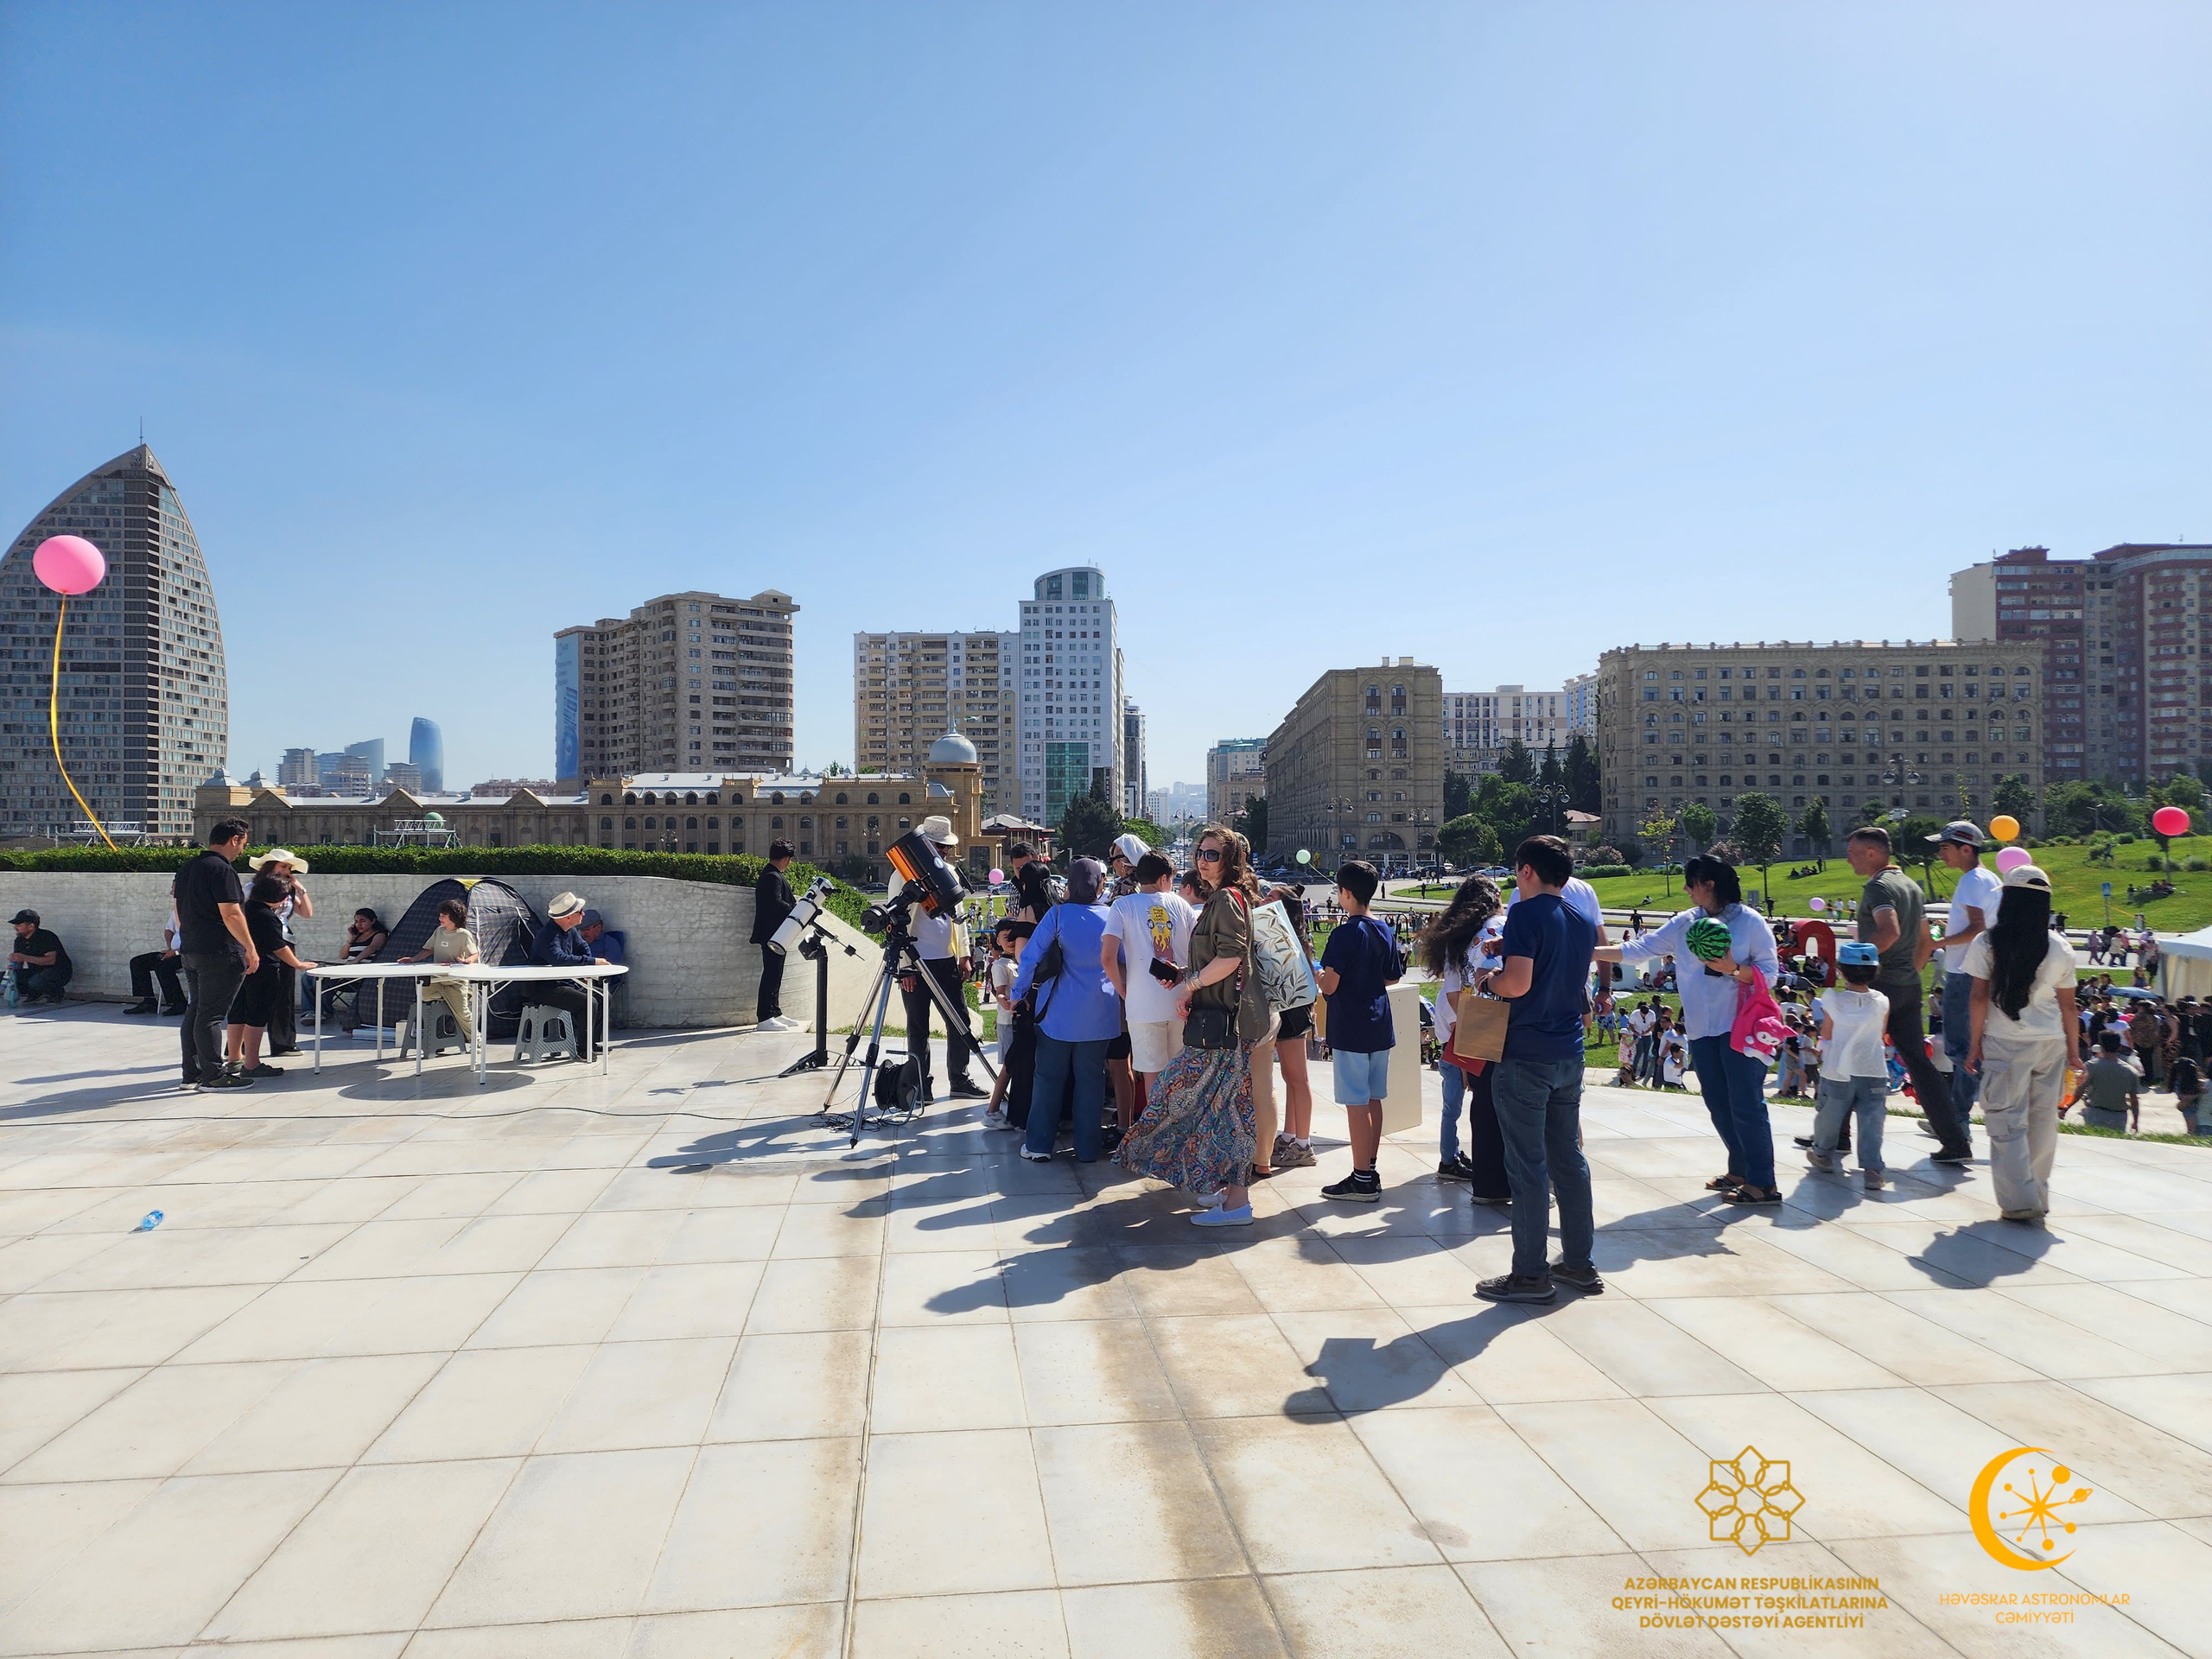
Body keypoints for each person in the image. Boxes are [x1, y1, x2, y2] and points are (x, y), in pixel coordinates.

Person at [1601, 855, 1783, 1202]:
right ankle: (1740, 1169)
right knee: (1717, 1101)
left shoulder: (1749, 923)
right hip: (1701, 1027)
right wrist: (1586, 951)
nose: (1685, 889)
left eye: (1690, 882)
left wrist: (1732, 968)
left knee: (1746, 1103)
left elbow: (1770, 974)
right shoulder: (1684, 923)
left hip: (1740, 1026)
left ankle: (1763, 1183)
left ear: (1709, 885)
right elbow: (1640, 949)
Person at [1116, 824, 1271, 1227]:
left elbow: (1232, 958)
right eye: (1200, 853)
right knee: (1221, 1106)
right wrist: (1188, 974)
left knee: (1221, 1106)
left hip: (1228, 1022)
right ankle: (1228, 1189)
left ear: (1230, 859)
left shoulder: (1225, 898)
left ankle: (1238, 1202)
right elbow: (1217, 960)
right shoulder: (1224, 897)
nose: (1203, 860)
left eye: (1213, 854)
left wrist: (1189, 985)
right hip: (1223, 1017)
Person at [1474, 836, 1600, 1303]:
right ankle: (1579, 1263)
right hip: (1570, 1053)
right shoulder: (1581, 918)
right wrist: (1510, 943)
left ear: (1527, 871)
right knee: (1569, 1159)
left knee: (1527, 1167)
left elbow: (1519, 983)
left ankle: (1529, 1275)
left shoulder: (1524, 913)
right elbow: (1557, 962)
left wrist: (1490, 979)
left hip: (1526, 1055)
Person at [1847, 825, 1971, 1165]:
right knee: (1920, 1064)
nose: (1848, 859)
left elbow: (1888, 932)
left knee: (1846, 1055)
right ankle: (1955, 1142)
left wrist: (1854, 962)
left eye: (1853, 853)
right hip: (1906, 986)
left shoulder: (1878, 886)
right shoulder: (1911, 886)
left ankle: (1835, 1138)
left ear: (1872, 854)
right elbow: (1923, 938)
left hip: (1879, 984)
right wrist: (1912, 973)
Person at [1965, 863, 2080, 1224]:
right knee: (2043, 1120)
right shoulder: (2060, 946)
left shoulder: (1987, 943)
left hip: (2004, 1041)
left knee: (2005, 1120)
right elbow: (2069, 1005)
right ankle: (2039, 1194)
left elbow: (1978, 997)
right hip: (2051, 1043)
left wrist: (1973, 1044)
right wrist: (2075, 1051)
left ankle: (2019, 1200)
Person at [1014, 856, 1121, 1163]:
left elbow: (1030, 958)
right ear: (1100, 883)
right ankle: (1087, 1148)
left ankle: (1038, 1145)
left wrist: (1019, 993)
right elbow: (1122, 960)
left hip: (1057, 1015)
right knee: (1092, 1080)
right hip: (1101, 1014)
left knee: (1048, 1077)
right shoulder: (1112, 917)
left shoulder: (1057, 915)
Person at [1420, 874, 1511, 1203]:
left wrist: (1471, 1027)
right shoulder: (1507, 924)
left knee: (1482, 1106)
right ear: (1496, 897)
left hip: (1475, 1024)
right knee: (1516, 1105)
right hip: (1514, 1024)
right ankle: (1518, 1179)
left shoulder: (1457, 938)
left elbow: (1455, 994)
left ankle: (1487, 1185)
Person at [1318, 859, 1401, 1202]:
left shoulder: (1343, 933)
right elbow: (1392, 976)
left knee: (1355, 1102)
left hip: (1351, 1024)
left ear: (1346, 893)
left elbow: (1331, 985)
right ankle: (1370, 1165)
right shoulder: (1383, 928)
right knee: (1373, 1097)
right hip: (1380, 1021)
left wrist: (1318, 976)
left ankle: (1361, 1177)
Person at [1103, 851, 1197, 1116]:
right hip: (1181, 1000)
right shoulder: (1181, 905)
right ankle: (1180, 1131)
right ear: (1165, 878)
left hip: (1141, 1004)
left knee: (1153, 1074)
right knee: (1179, 1071)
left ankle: (1157, 1138)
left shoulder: (1123, 906)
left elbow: (1108, 957)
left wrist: (1124, 991)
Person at [176, 822, 259, 1090]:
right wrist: (250, 947)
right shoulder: (222, 869)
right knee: (210, 1015)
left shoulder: (188, 868)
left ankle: (192, 1072)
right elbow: (231, 913)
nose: (241, 851)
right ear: (234, 840)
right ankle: (213, 1075)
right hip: (219, 952)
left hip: (191, 949)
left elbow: (177, 908)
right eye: (243, 844)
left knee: (196, 1011)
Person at [904, 817, 982, 1100]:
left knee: (960, 1021)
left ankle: (959, 1080)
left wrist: (964, 954)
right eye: (940, 846)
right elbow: (897, 924)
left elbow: (959, 921)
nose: (946, 851)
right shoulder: (902, 873)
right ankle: (919, 1085)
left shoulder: (949, 872)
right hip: (916, 961)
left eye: (947, 846)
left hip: (945, 959)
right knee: (918, 1027)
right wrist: (905, 968)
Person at [1806, 941, 1890, 1187]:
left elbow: (1828, 1034)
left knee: (1830, 1116)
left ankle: (1822, 1154)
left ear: (1841, 970)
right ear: (1875, 971)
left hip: (1838, 1069)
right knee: (1872, 1121)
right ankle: (1873, 1170)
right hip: (1873, 1068)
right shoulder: (1882, 1001)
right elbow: (1882, 1033)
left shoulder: (1832, 999)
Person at [225, 874, 319, 1077]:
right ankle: (251, 1064)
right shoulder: (267, 916)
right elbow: (278, 946)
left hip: (241, 967)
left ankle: (234, 1059)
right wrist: (298, 964)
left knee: (238, 1012)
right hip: (263, 969)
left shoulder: (246, 909)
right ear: (278, 897)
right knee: (257, 1016)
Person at [1262, 884, 1319, 1170]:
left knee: (1298, 1078)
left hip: (1293, 1011)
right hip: (1287, 1009)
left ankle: (1303, 1144)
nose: (1264, 899)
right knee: (1290, 1077)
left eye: (1271, 897)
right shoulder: (1283, 936)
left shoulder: (1288, 940)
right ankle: (1290, 1135)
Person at [1103, 833, 1152, 1128]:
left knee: (1126, 1054)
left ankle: (1129, 1119)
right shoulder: (1149, 885)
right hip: (1150, 973)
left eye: (1117, 858)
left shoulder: (1124, 888)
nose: (1115, 865)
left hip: (1126, 972)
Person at [246, 849, 313, 1056]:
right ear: (270, 866)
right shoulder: (252, 889)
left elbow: (307, 913)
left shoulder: (288, 889)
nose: (287, 871)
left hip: (284, 939)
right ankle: (239, 1048)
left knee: (284, 994)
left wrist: (300, 889)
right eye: (283, 866)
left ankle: (283, 1042)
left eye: (289, 868)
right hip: (259, 940)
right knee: (253, 995)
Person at [396, 897, 480, 1046]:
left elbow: (474, 954)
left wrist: (468, 961)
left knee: (463, 1014)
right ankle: (447, 998)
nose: (439, 918)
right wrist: (413, 959)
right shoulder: (439, 931)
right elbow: (429, 949)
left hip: (455, 980)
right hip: (437, 978)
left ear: (453, 917)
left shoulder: (463, 934)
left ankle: (476, 1040)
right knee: (423, 992)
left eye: (443, 915)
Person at [527, 891, 601, 1061]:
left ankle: (591, 1042)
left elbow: (583, 949)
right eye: (579, 912)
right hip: (545, 987)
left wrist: (585, 971)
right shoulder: (548, 935)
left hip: (565, 983)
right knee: (588, 1002)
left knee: (603, 996)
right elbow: (558, 959)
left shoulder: (571, 931)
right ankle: (583, 1050)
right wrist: (592, 962)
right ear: (567, 917)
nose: (583, 914)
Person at [751, 839, 799, 1033]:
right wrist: (795, 909)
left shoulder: (773, 874)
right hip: (772, 935)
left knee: (776, 973)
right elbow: (775, 904)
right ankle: (764, 1017)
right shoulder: (772, 876)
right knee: (771, 974)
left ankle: (774, 1011)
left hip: (778, 934)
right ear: (787, 858)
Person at [124, 890, 186, 1015]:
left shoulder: (198, 909)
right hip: (173, 952)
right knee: (138, 962)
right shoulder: (177, 910)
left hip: (189, 954)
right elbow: (169, 929)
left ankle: (179, 1003)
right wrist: (170, 948)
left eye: (174, 889)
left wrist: (177, 951)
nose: (171, 892)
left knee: (163, 966)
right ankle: (149, 1001)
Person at [2075, 1031, 2141, 1133]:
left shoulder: (2091, 1066)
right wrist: (2135, 1121)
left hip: (2095, 1113)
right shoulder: (2130, 1071)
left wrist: (2067, 1107)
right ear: (2119, 1047)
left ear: (2101, 1047)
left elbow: (2080, 1090)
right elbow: (2134, 1100)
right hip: (2119, 1117)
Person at [8, 908, 73, 1005]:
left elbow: (50, 960)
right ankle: (35, 993)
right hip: (36, 972)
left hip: (57, 971)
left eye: (19, 925)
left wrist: (25, 957)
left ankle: (57, 993)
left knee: (36, 981)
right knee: (8, 977)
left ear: (31, 926)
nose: (15, 928)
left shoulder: (47, 937)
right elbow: (19, 963)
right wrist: (12, 970)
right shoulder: (19, 940)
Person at [1007, 840, 1056, 924]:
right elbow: (1013, 914)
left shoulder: (1053, 887)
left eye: (1028, 867)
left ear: (1037, 861)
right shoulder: (1014, 887)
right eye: (1018, 869)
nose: (1023, 873)